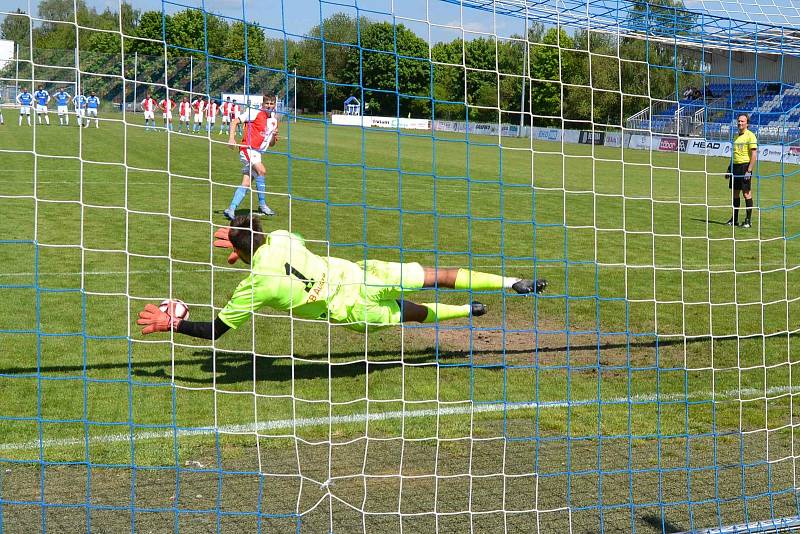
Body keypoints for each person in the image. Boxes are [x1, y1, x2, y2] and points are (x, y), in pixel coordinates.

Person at [137, 215, 548, 339]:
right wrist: (244, 246)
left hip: (350, 309)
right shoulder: (280, 237)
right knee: (435, 274)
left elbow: (215, 331)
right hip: (362, 274)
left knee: (412, 314)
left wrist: (171, 322)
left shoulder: (255, 285)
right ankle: (512, 282)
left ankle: (465, 312)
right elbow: (275, 240)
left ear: (238, 251)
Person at [223, 94, 279, 220]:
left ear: (275, 105)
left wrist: (274, 137)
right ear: (263, 104)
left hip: (257, 154)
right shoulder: (255, 112)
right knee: (262, 171)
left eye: (271, 103)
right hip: (247, 149)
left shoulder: (274, 121)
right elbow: (234, 121)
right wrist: (231, 138)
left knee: (246, 183)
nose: (269, 106)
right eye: (267, 103)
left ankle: (231, 208)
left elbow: (271, 144)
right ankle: (263, 205)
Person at [725, 113, 758, 228]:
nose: (740, 123)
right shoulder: (736, 136)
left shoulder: (751, 136)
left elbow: (754, 155)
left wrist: (749, 170)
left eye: (742, 121)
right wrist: (729, 168)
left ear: (747, 123)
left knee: (746, 193)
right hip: (735, 167)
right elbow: (734, 155)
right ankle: (734, 219)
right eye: (739, 121)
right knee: (735, 193)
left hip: (745, 167)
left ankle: (748, 221)